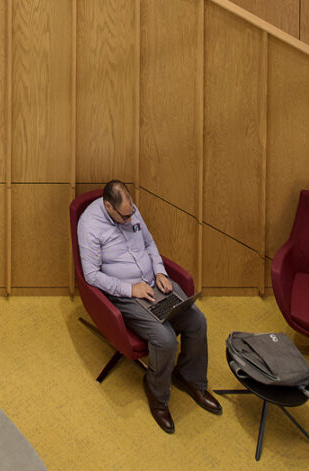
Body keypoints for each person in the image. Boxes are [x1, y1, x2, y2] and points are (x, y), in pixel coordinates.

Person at [77, 180, 220, 435]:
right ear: (109, 207)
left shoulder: (130, 209)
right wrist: (130, 289)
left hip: (154, 282)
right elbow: (91, 276)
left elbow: (149, 243)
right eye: (125, 215)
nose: (130, 217)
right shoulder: (89, 225)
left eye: (131, 211)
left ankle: (189, 377)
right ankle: (157, 395)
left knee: (197, 321)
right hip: (126, 293)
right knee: (165, 340)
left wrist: (160, 272)